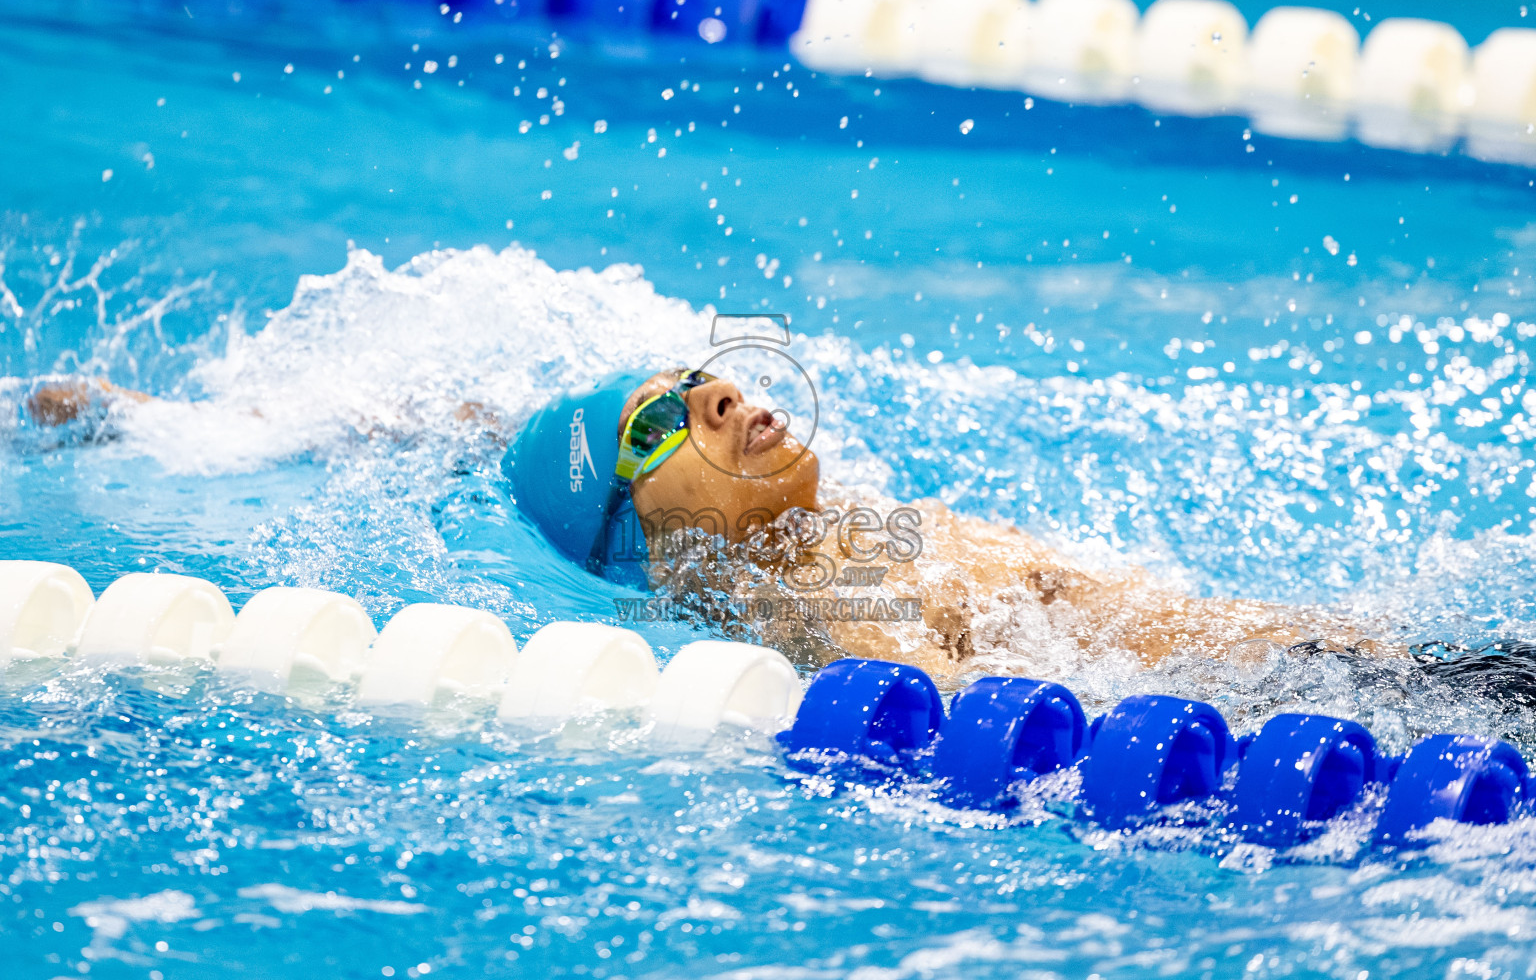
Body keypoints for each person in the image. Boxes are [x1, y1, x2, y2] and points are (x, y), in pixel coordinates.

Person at [19, 368, 1536, 701]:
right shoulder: (802, 611)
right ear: (644, 528)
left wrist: (154, 421)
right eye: (670, 422)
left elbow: (422, 411)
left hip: (1413, 667)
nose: (731, 401)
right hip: (1351, 723)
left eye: (711, 376)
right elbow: (939, 720)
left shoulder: (861, 530)